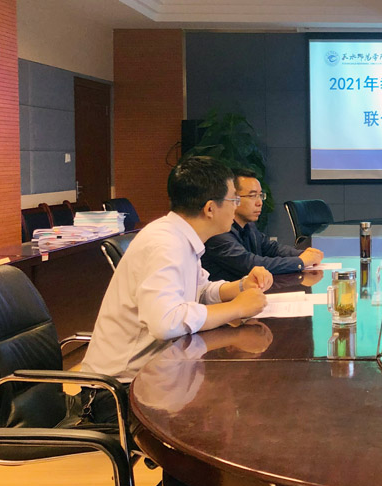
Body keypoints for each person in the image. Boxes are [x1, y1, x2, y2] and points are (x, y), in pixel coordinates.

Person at [81, 156, 272, 410]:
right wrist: (237, 308)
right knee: (236, 403)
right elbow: (166, 322)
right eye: (233, 200)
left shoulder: (181, 236)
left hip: (160, 375)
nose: (236, 206)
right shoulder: (165, 244)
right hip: (118, 391)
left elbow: (200, 291)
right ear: (210, 209)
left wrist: (240, 286)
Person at [202, 168, 324, 280]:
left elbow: (271, 248)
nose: (259, 202)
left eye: (260, 195)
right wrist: (300, 261)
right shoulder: (219, 232)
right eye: (252, 196)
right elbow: (250, 264)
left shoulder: (248, 225)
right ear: (233, 198)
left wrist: (304, 254)